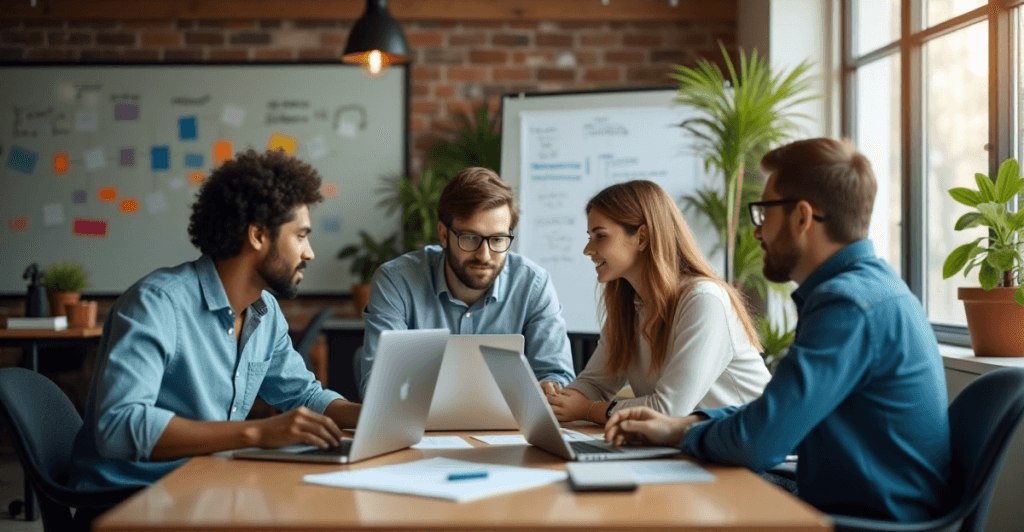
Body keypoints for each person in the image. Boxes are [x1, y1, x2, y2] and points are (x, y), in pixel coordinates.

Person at [605, 138, 950, 522]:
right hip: (849, 506)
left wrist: (681, 434)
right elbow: (772, 415)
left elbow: (757, 443)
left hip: (865, 522)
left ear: (802, 217)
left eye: (763, 213)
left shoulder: (847, 306)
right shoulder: (869, 290)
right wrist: (684, 424)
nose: (757, 232)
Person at [69, 150, 361, 492]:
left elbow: (305, 396)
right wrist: (257, 433)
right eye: (300, 235)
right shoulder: (158, 303)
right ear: (257, 235)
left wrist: (374, 419)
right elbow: (118, 426)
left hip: (208, 485)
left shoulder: (264, 312)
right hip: (134, 499)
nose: (309, 252)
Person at [545, 180, 771, 425]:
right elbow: (594, 383)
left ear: (642, 237)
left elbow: (668, 410)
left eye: (600, 236)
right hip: (689, 449)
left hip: (747, 453)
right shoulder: (629, 305)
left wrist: (587, 410)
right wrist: (560, 399)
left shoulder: (703, 300)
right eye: (590, 237)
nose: (588, 249)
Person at [354, 167, 575, 397]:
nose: (485, 255)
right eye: (470, 238)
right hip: (421, 430)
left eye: (498, 239)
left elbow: (558, 375)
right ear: (443, 234)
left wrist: (551, 386)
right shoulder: (397, 281)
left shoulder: (533, 285)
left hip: (509, 430)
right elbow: (377, 386)